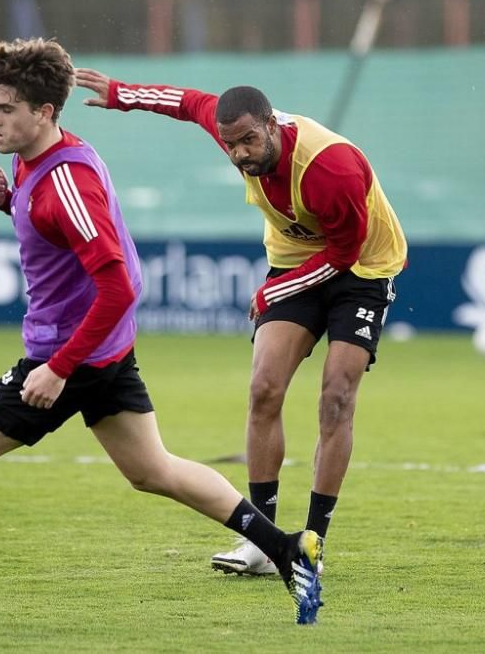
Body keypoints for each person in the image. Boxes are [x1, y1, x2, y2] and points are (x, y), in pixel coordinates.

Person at [0, 38, 323, 627]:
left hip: (70, 356)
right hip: (102, 352)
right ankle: (286, 547)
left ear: (44, 112)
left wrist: (59, 367)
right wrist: (10, 200)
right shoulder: (39, 164)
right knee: (154, 471)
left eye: (6, 108)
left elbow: (120, 286)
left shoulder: (67, 182)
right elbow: (54, 234)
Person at [76, 68, 407, 576]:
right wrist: (123, 96)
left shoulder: (331, 168)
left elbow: (343, 253)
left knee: (336, 397)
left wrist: (272, 289)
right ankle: (265, 544)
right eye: (231, 145)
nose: (240, 154)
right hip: (295, 258)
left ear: (272, 125)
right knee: (264, 390)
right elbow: (187, 102)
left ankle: (313, 543)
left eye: (250, 140)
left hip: (362, 266)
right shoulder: (233, 130)